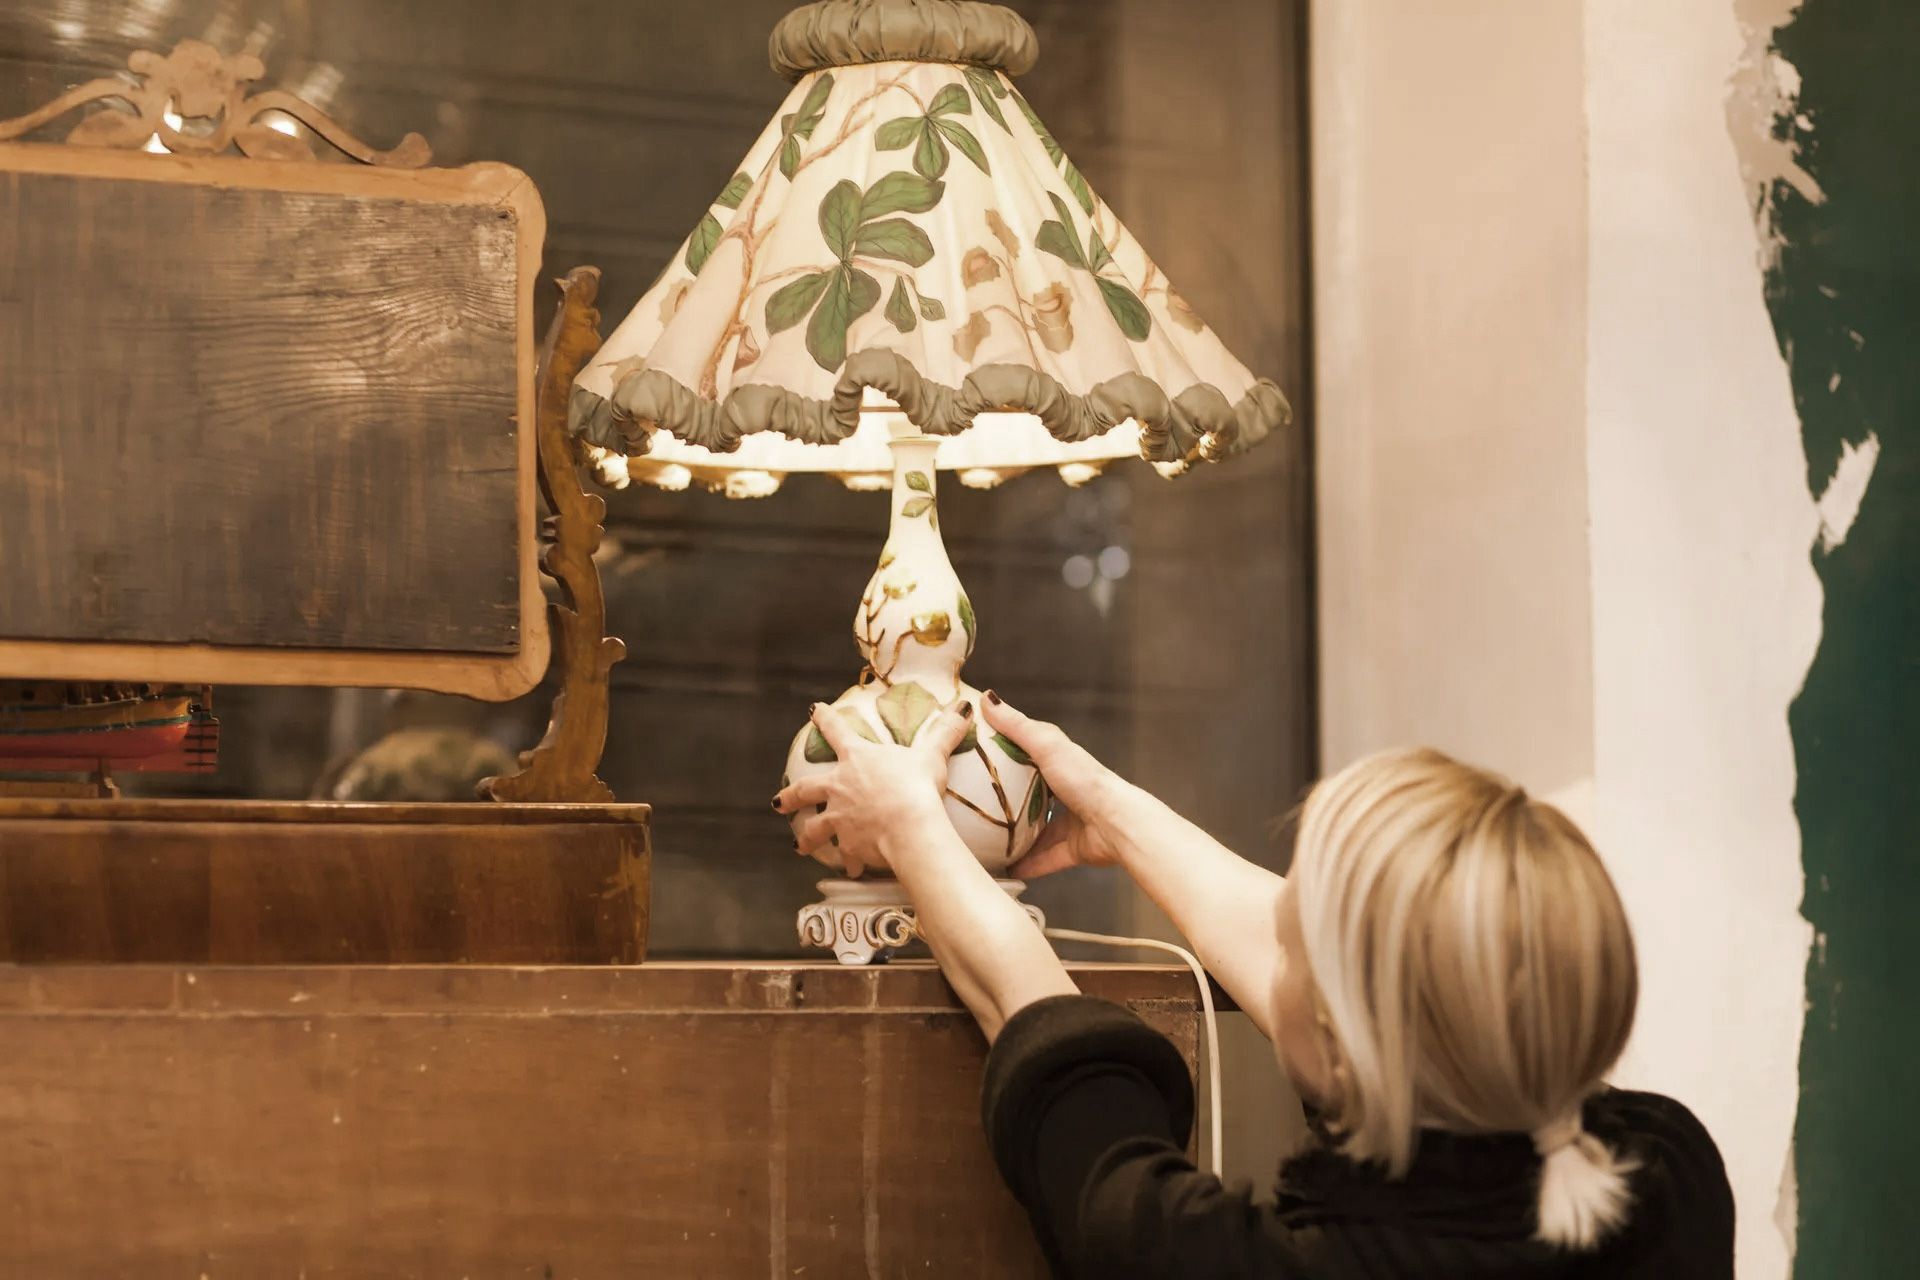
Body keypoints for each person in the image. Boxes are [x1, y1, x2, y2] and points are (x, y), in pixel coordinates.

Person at [773, 693, 1735, 1278]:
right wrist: (1110, 811)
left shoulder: (1248, 1266)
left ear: (1340, 1042)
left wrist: (910, 821)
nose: (1273, 945)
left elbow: (1055, 1047)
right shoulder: (1673, 1174)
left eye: (1289, 942)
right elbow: (1402, 991)